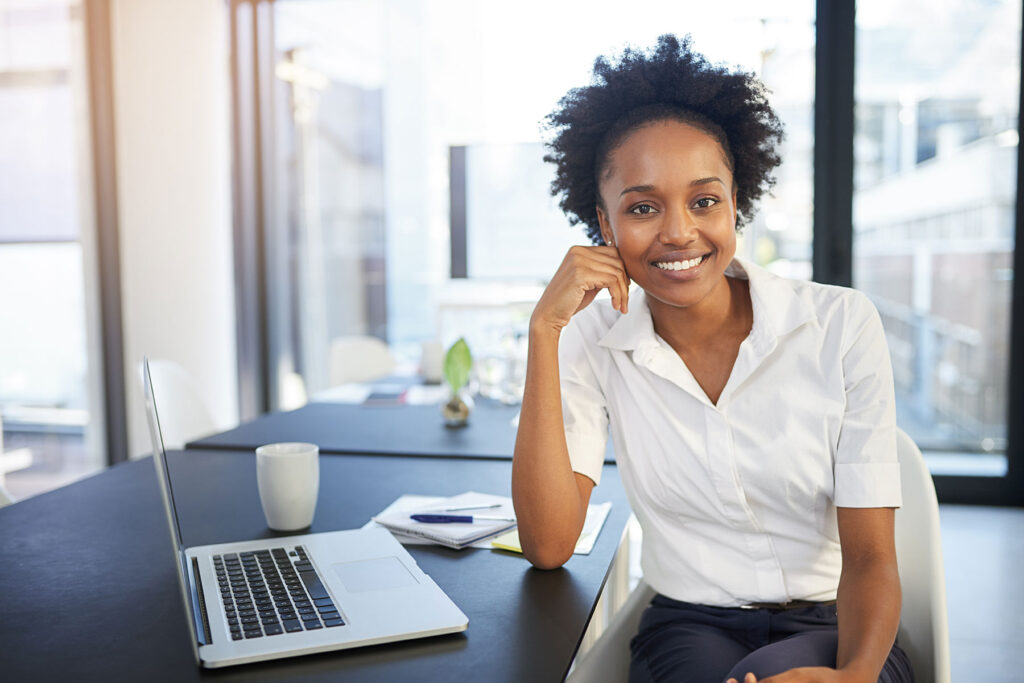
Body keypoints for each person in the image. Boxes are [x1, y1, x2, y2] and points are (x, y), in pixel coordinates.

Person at [511, 35, 914, 683]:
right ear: (604, 225)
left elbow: (870, 557)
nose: (678, 232)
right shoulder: (591, 337)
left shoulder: (839, 325)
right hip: (689, 624)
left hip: (836, 624)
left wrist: (856, 675)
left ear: (736, 203)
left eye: (704, 201)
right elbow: (550, 544)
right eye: (643, 207)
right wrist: (543, 329)